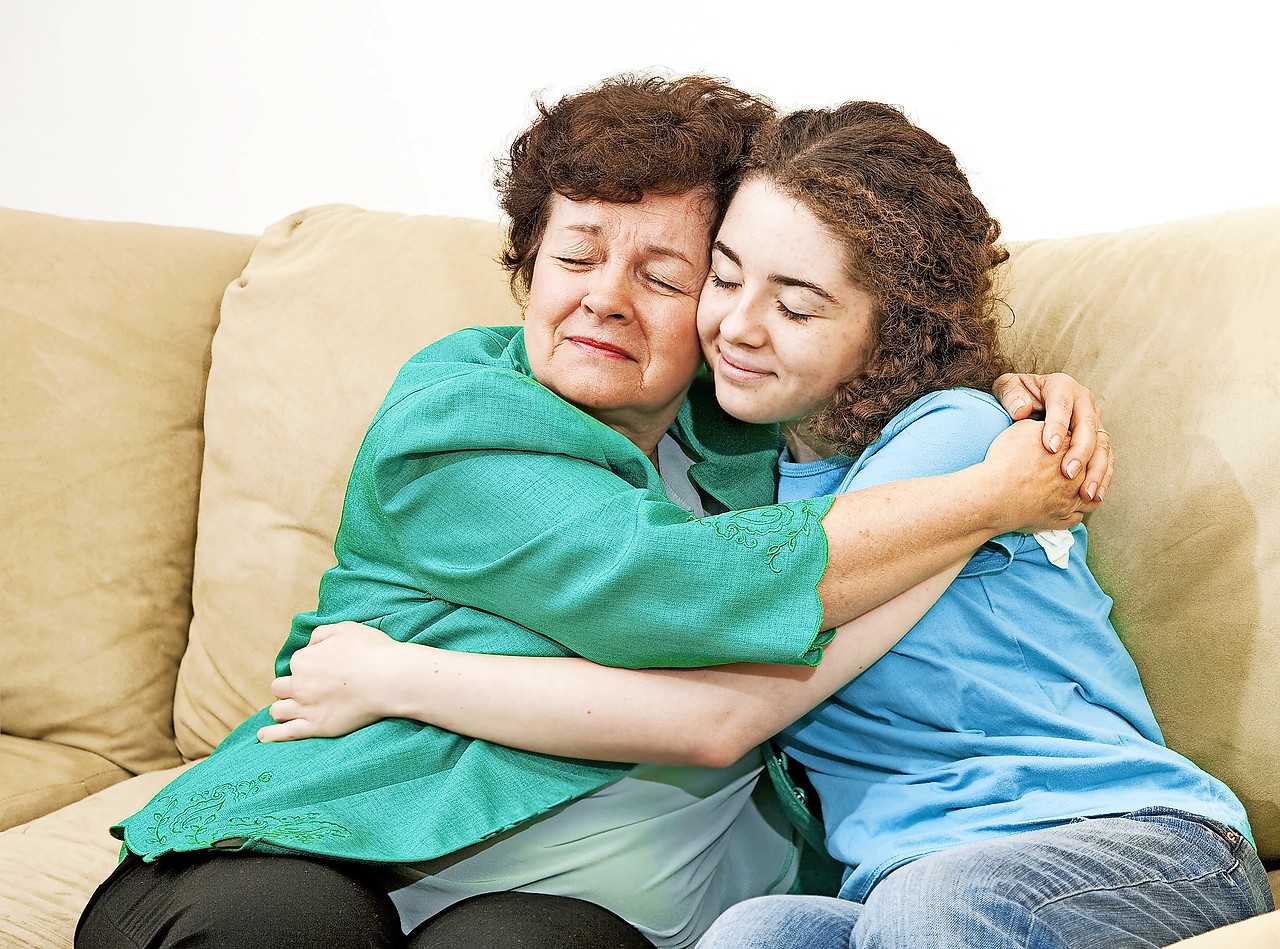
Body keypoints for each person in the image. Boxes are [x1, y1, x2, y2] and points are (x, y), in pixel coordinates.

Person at [76, 76, 1108, 949]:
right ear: (527, 269)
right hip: (320, 845)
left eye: (664, 275)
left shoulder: (754, 432)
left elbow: (869, 382)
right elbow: (674, 591)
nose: (604, 299)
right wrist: (993, 492)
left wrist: (1011, 394)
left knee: (531, 943)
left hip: (565, 912)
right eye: (573, 257)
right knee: (283, 930)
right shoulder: (459, 417)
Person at [266, 101, 1273, 949]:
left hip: (1128, 841)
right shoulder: (744, 475)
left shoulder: (959, 439)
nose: (736, 326)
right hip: (895, 882)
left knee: (933, 907)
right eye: (723, 275)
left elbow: (730, 704)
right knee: (752, 932)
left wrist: (393, 676)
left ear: (894, 331)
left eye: (794, 304)